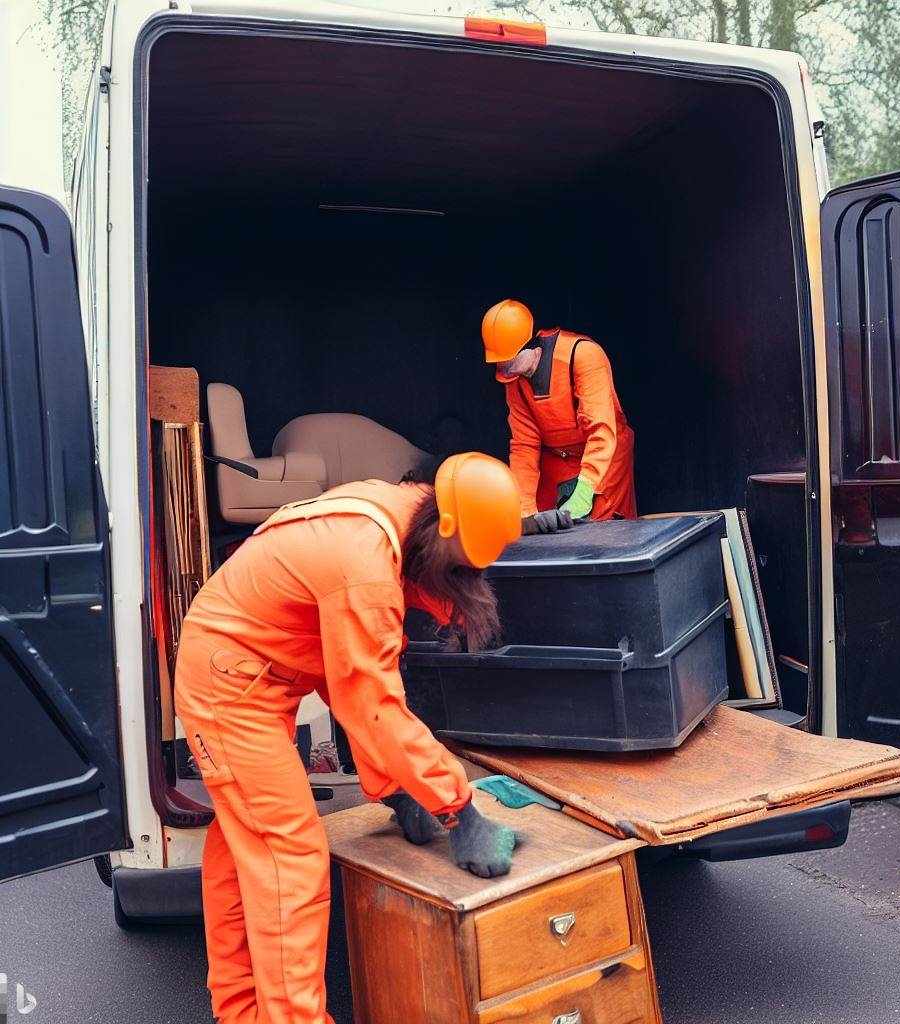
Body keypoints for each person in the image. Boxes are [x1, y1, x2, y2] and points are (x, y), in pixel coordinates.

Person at [174, 453, 521, 1024]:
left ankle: (242, 1013)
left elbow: (349, 677)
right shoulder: (364, 566)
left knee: (243, 849)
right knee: (291, 855)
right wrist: (458, 809)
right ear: (445, 532)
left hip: (238, 668)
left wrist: (397, 787)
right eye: (461, 572)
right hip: (230, 686)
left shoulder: (404, 511)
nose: (462, 586)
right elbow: (370, 701)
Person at [482, 299, 637, 522]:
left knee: (602, 529)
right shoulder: (513, 377)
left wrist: (584, 492)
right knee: (547, 527)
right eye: (498, 363)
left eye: (507, 361)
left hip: (603, 456)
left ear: (533, 347)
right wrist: (522, 510)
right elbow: (524, 445)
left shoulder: (583, 355)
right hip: (557, 459)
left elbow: (601, 433)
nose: (502, 370)